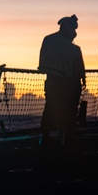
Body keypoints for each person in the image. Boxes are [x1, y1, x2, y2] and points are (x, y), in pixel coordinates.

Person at [38, 14, 85, 145]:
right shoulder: (73, 48)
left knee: (50, 107)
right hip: (67, 82)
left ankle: (45, 134)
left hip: (52, 80)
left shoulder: (48, 40)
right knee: (70, 109)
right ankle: (68, 134)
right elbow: (77, 68)